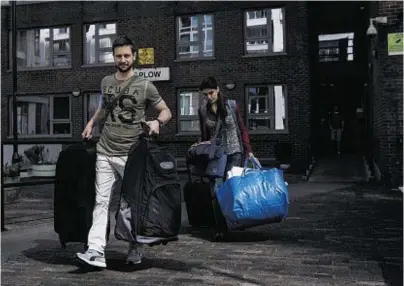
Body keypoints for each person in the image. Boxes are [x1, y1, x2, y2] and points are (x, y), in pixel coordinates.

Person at [76, 35, 172, 268]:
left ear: (134, 56)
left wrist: (158, 122)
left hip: (131, 154)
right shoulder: (106, 81)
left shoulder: (145, 85)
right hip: (105, 150)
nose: (123, 59)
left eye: (127, 55)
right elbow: (104, 108)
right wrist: (91, 123)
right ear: (114, 57)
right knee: (101, 202)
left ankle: (135, 246)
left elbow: (166, 111)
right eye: (119, 56)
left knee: (132, 204)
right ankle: (96, 250)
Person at [197, 76, 253, 240]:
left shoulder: (231, 106)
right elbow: (205, 135)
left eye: (211, 93)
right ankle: (220, 228)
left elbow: (241, 128)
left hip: (234, 153)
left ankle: (235, 221)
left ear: (218, 89)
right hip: (216, 155)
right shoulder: (203, 110)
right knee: (216, 191)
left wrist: (248, 150)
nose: (208, 97)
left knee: (233, 189)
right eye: (205, 94)